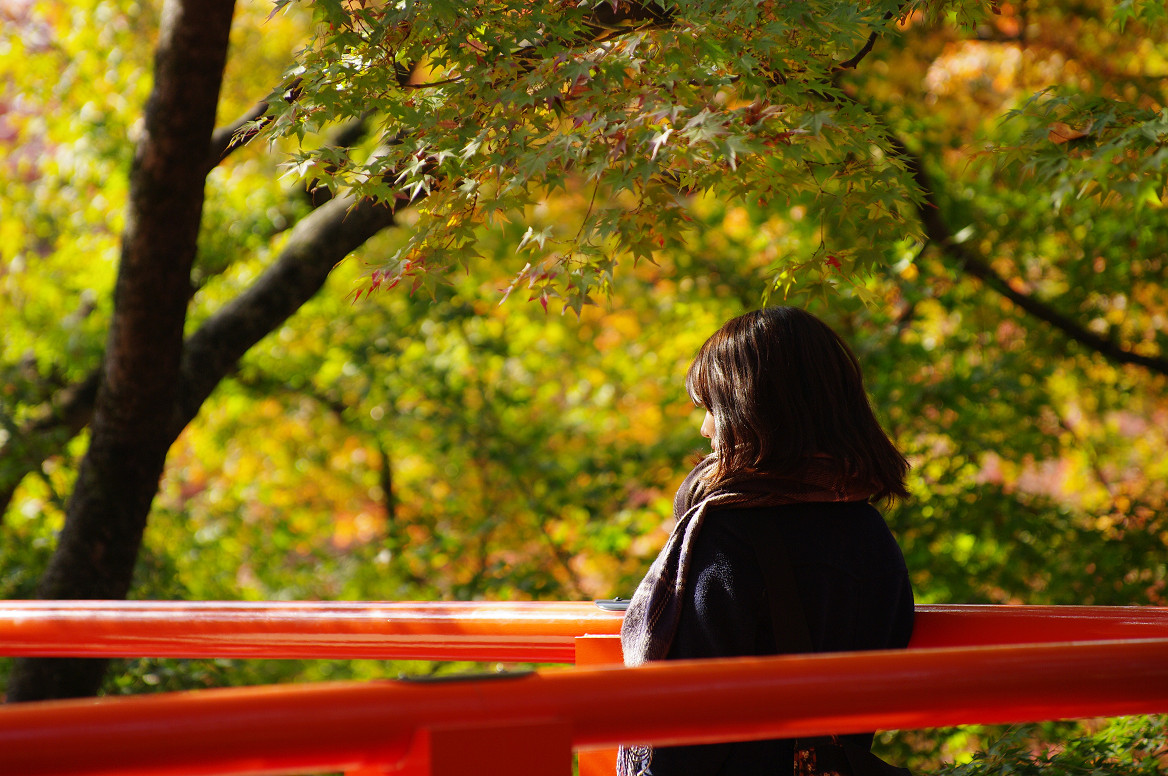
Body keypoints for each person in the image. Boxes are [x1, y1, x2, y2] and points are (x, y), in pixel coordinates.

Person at [618, 306, 914, 776]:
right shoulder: (868, 529)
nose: (705, 429)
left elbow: (685, 728)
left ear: (753, 412)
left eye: (714, 408)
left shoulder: (728, 536)